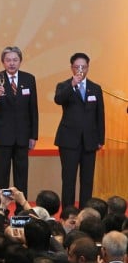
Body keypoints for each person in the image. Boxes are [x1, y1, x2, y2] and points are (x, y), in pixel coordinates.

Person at [0, 46, 39, 207]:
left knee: (21, 176)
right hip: (2, 137)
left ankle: (21, 210)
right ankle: (1, 210)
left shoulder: (29, 79)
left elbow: (33, 109)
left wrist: (33, 135)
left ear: (20, 61)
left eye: (15, 60)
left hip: (23, 137)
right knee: (2, 176)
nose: (12, 63)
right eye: (8, 60)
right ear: (3, 62)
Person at [55, 52, 105, 213]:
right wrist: (72, 85)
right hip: (69, 140)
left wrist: (100, 138)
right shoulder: (63, 86)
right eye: (77, 67)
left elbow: (100, 115)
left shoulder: (95, 88)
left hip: (90, 141)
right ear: (72, 68)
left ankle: (85, 213)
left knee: (87, 180)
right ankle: (68, 213)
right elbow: (59, 99)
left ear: (88, 67)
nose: (80, 70)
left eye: (83, 67)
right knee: (68, 180)